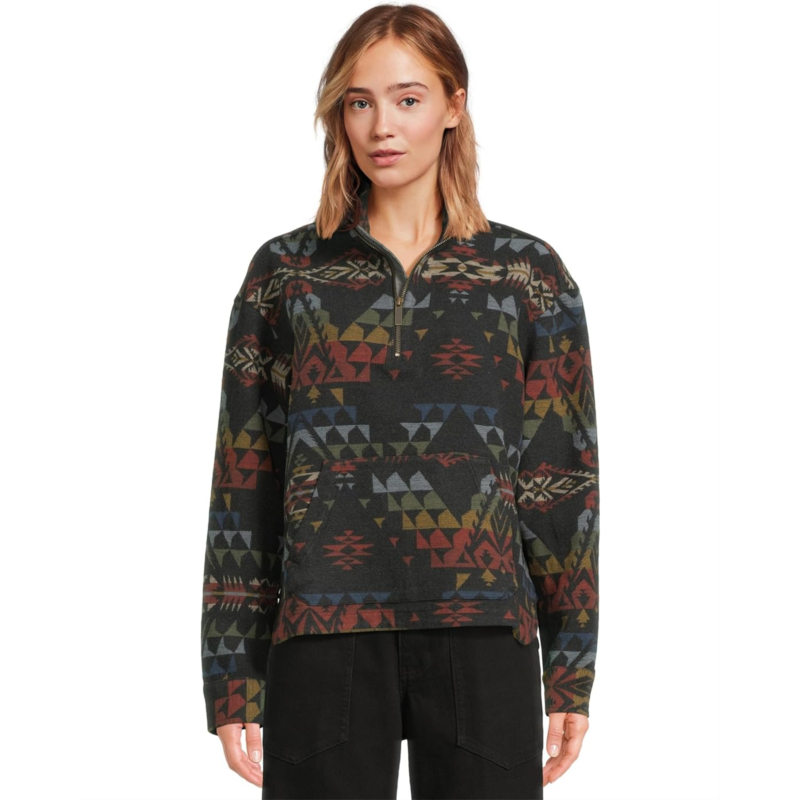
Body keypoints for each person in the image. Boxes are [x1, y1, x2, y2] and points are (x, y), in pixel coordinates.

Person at [200, 4, 600, 799]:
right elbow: (246, 481)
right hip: (322, 632)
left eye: (408, 99)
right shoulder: (285, 274)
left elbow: (560, 482)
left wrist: (572, 668)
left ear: (454, 106)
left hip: (483, 630)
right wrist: (231, 672)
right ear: (339, 115)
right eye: (360, 102)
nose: (382, 125)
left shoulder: (527, 275)